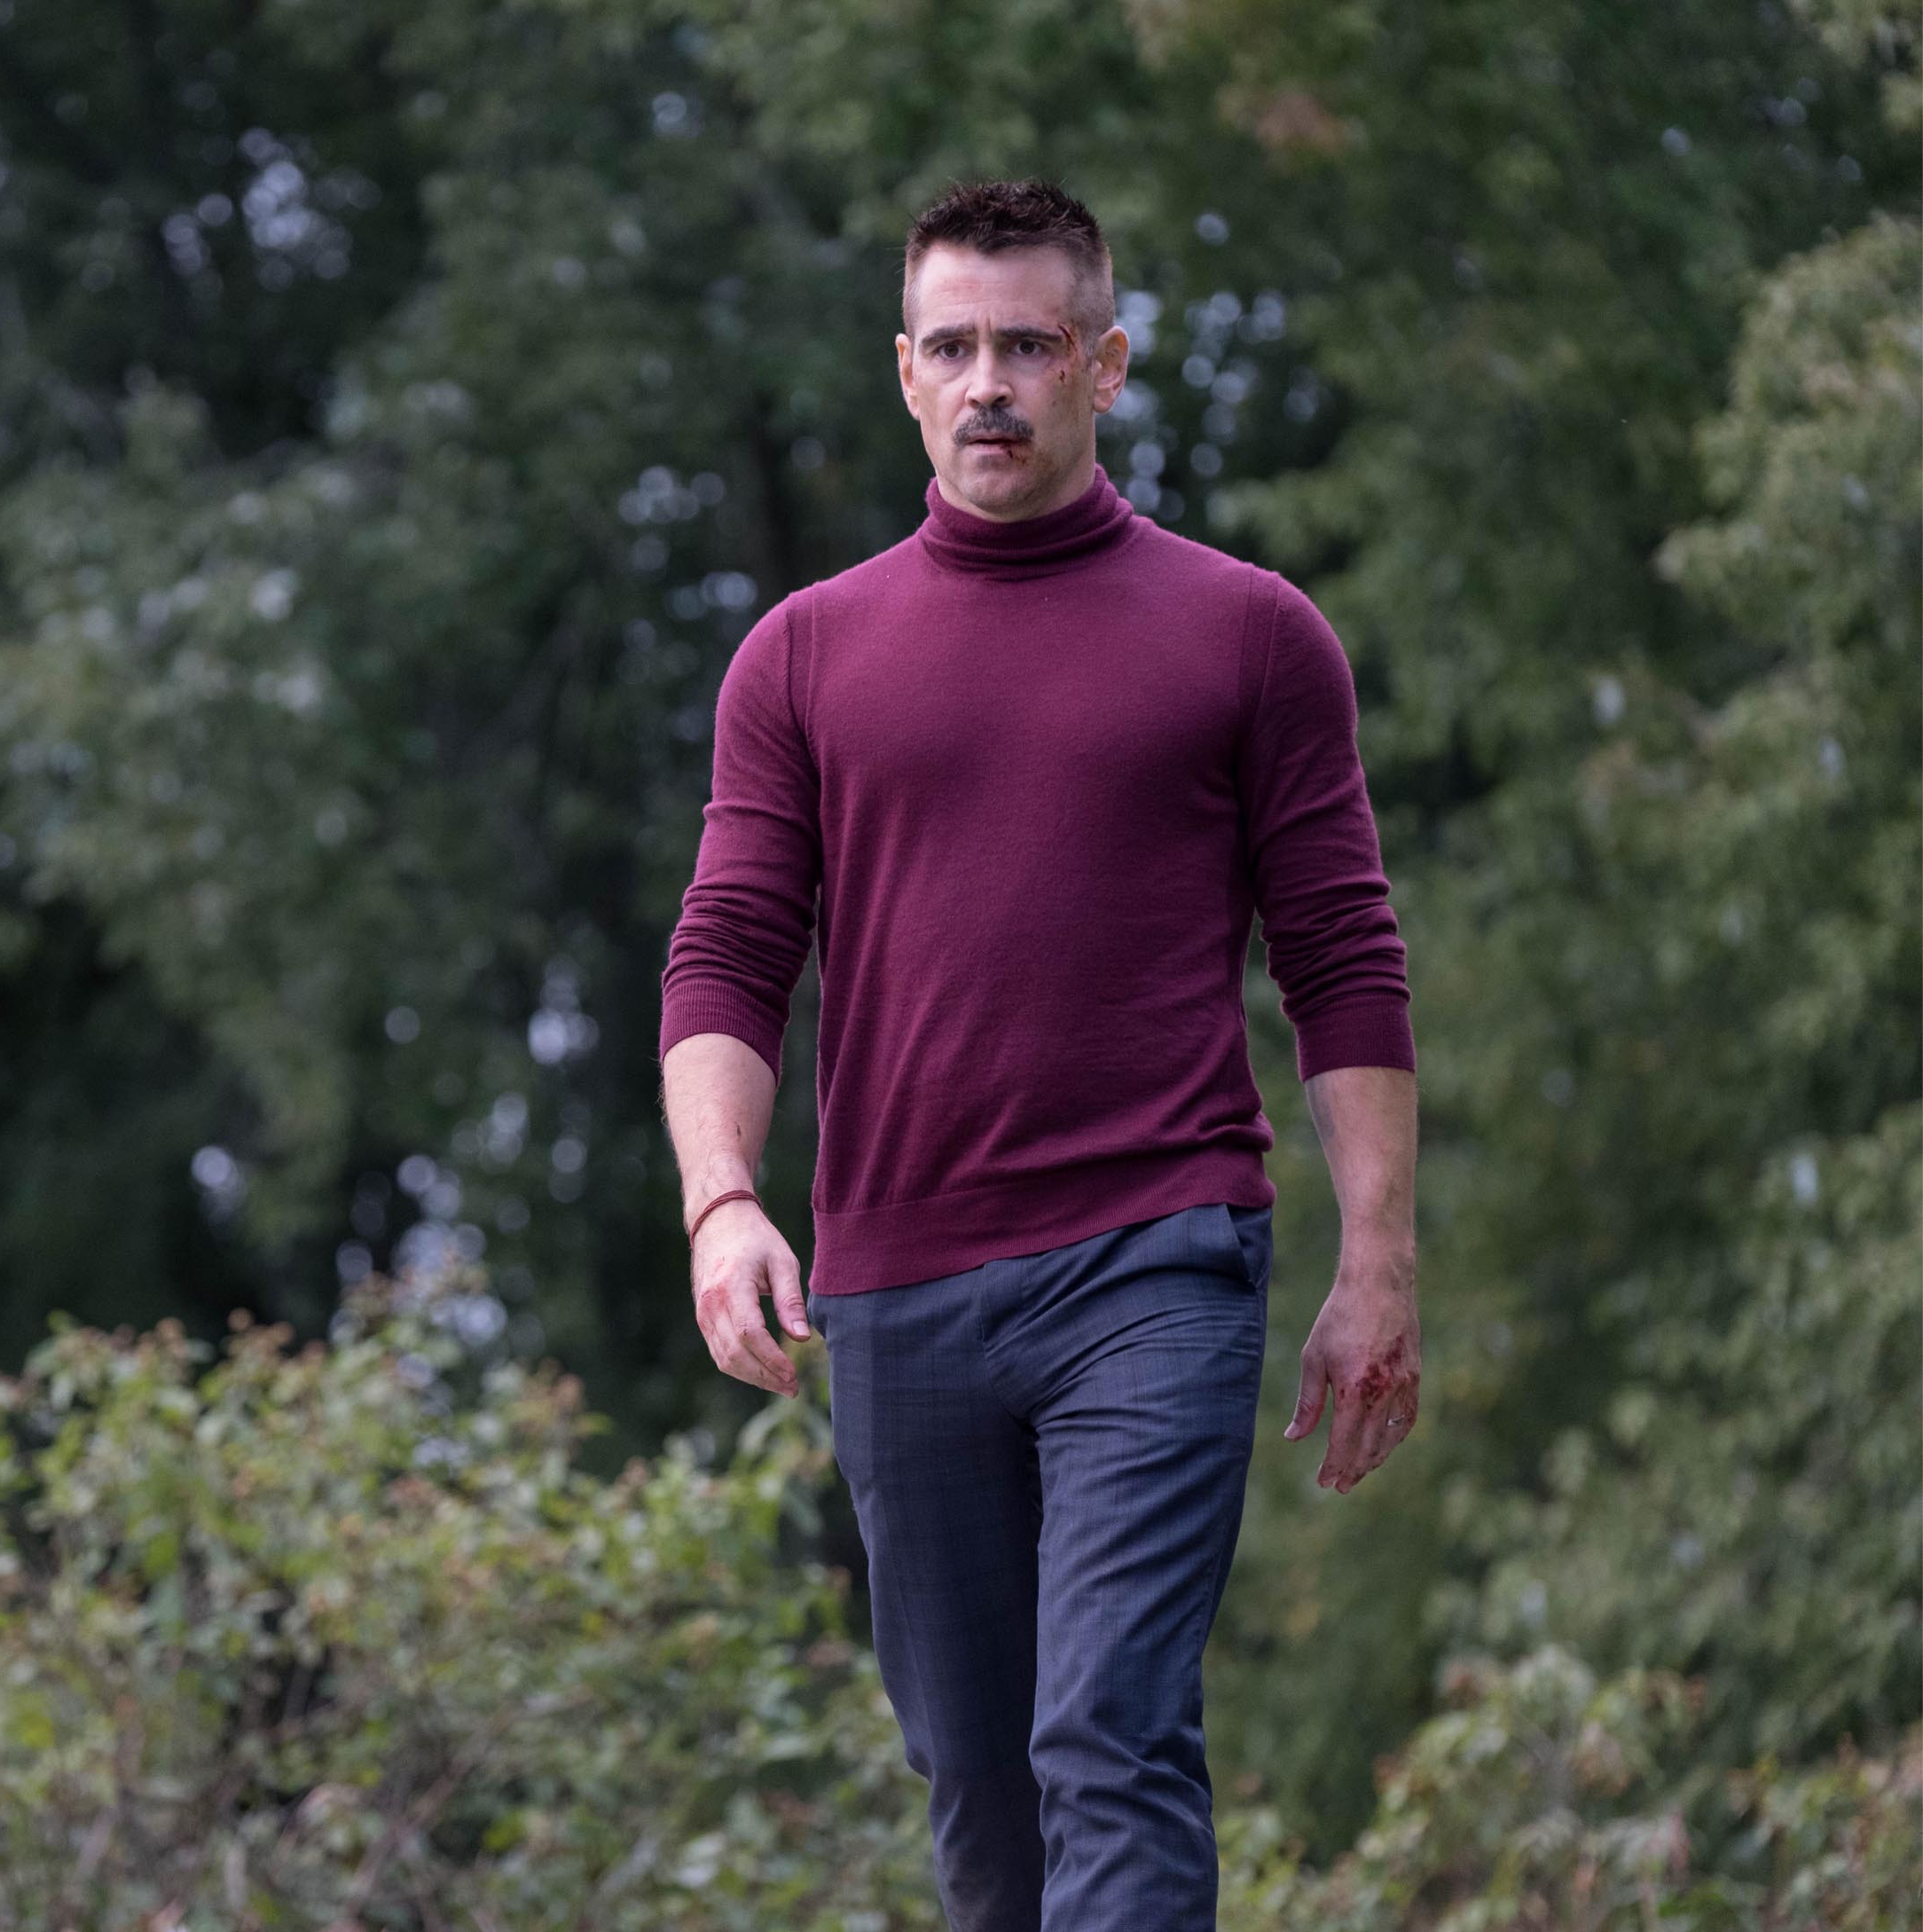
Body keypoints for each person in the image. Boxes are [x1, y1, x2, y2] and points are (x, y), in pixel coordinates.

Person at [654, 177, 1423, 1932]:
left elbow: (1341, 959)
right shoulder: (801, 658)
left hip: (1156, 1259)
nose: (986, 383)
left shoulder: (1248, 635)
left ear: (1105, 364)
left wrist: (1376, 1258)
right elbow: (728, 953)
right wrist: (721, 1203)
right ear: (903, 374)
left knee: (1109, 1735)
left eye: (1027, 345)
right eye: (951, 348)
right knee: (982, 1794)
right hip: (898, 1285)